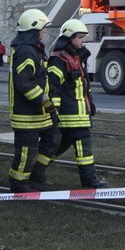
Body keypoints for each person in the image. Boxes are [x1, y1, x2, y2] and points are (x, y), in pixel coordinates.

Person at [45, 19, 107, 188]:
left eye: (83, 37)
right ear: (68, 38)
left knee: (56, 147)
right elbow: (54, 89)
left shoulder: (75, 57)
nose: (83, 41)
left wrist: (90, 105)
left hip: (78, 114)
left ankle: (35, 171)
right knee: (84, 148)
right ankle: (89, 180)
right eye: (79, 37)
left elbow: (83, 87)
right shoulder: (59, 59)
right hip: (71, 115)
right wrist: (54, 113)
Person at [7, 8, 59, 193]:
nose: (44, 32)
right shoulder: (25, 51)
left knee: (53, 140)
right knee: (26, 152)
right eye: (42, 29)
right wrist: (46, 102)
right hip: (27, 114)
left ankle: (37, 175)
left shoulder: (33, 49)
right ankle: (18, 183)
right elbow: (24, 84)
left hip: (39, 112)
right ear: (34, 29)